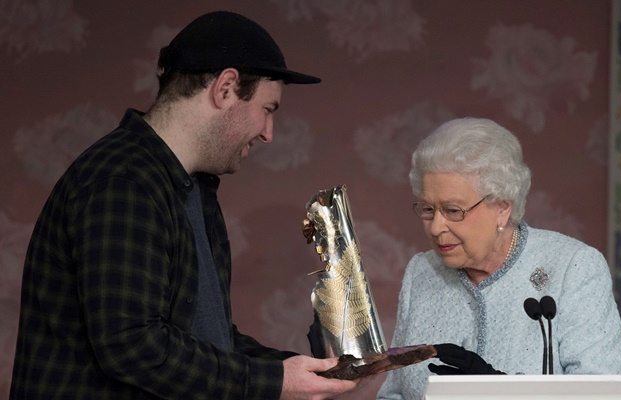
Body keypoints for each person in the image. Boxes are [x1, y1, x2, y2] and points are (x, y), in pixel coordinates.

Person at [10, 11, 360, 400]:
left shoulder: (190, 188)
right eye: (268, 109)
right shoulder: (124, 182)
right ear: (225, 88)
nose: (268, 133)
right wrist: (275, 383)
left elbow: (208, 340)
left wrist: (298, 373)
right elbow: (132, 347)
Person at [377, 117, 621, 400]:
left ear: (502, 207)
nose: (436, 227)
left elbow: (604, 394)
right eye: (427, 209)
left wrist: (500, 389)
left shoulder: (574, 268)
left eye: (453, 210)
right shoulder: (421, 272)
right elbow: (394, 393)